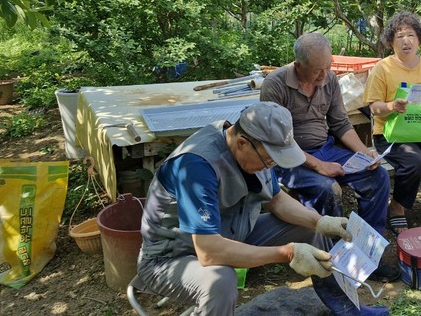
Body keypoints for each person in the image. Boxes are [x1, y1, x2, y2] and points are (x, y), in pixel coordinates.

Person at [136, 101, 389, 316]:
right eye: (268, 160)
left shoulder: (255, 147)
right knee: (220, 281)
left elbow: (277, 200)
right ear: (242, 143)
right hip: (172, 258)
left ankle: (346, 308)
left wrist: (320, 222)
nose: (270, 166)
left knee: (312, 229)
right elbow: (209, 251)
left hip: (232, 231)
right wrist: (288, 253)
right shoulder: (197, 165)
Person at [260, 32, 400, 282]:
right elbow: (277, 141)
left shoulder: (330, 79)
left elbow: (340, 124)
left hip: (325, 148)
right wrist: (318, 165)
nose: (324, 76)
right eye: (317, 71)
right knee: (326, 188)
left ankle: (365, 254)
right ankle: (333, 259)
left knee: (377, 176)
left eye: (328, 67)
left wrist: (363, 152)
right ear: (298, 65)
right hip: (288, 158)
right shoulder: (275, 84)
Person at [364, 11, 421, 235]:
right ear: (391, 42)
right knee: (415, 162)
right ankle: (397, 207)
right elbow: (373, 108)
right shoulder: (382, 69)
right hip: (391, 134)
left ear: (419, 40)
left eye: (411, 35)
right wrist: (391, 106)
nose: (406, 41)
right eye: (399, 36)